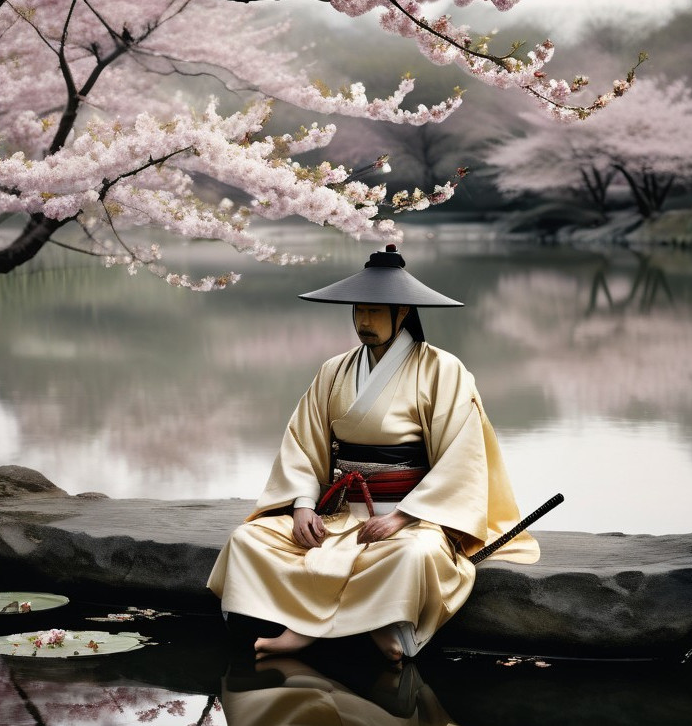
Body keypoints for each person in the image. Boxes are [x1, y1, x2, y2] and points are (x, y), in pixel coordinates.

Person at [207, 245, 539, 661]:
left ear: (403, 313)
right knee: (248, 539)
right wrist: (303, 507)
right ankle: (332, 628)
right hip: (339, 513)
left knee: (415, 554)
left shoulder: (442, 369)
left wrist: (402, 517)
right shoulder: (334, 370)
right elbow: (303, 444)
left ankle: (355, 629)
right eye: (358, 311)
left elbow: (462, 456)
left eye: (375, 312)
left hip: (412, 515)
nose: (363, 321)